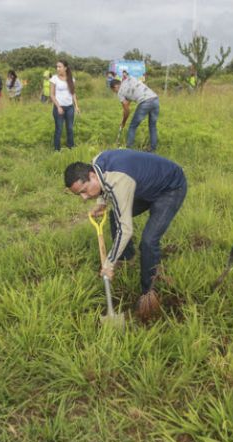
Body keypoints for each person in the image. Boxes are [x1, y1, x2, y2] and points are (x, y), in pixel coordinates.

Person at [64, 150, 187, 316]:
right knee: (115, 215)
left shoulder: (119, 181)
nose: (84, 198)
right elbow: (106, 186)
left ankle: (148, 293)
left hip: (170, 188)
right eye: (80, 194)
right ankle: (127, 258)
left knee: (149, 241)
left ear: (92, 176)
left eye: (84, 191)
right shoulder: (97, 162)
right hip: (145, 185)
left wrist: (109, 262)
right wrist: (101, 202)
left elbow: (125, 229)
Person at [110, 77, 160, 152]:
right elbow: (128, 102)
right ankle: (153, 148)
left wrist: (123, 122)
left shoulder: (120, 92)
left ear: (116, 87)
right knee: (152, 126)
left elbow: (127, 110)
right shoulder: (130, 79)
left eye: (114, 91)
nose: (115, 92)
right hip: (155, 99)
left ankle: (128, 149)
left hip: (145, 102)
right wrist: (125, 110)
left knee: (132, 126)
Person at [50, 60, 80, 151]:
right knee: (59, 129)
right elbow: (52, 95)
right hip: (59, 108)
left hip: (70, 107)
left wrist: (76, 106)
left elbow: (73, 93)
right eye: (57, 67)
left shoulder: (71, 79)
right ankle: (57, 149)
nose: (57, 68)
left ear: (65, 68)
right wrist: (58, 107)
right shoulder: (54, 79)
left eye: (60, 67)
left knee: (70, 128)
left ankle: (71, 147)